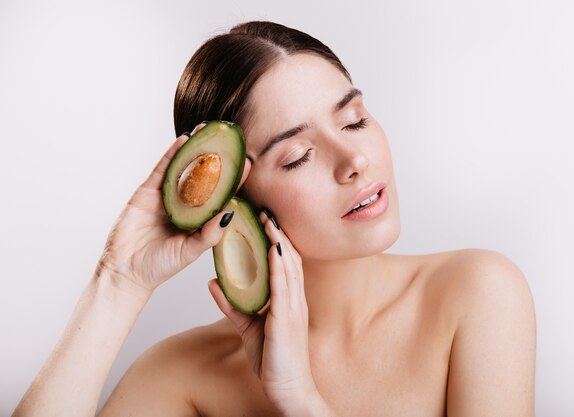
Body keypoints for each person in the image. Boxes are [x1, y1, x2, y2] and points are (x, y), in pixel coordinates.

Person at [12, 20, 536, 417]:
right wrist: (118, 280)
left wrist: (299, 400)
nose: (355, 162)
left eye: (354, 121)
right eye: (298, 157)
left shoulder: (476, 293)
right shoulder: (183, 375)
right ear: (231, 201)